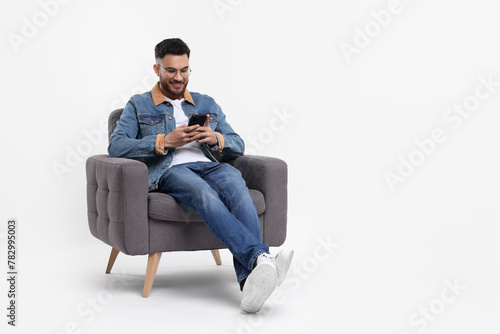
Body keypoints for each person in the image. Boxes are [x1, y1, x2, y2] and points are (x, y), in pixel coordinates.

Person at [108, 38, 293, 313]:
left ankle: (251, 286)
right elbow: (116, 145)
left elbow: (237, 144)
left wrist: (215, 137)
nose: (179, 77)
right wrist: (165, 141)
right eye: (171, 70)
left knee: (239, 190)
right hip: (172, 170)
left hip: (214, 166)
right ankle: (260, 258)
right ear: (157, 69)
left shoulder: (206, 102)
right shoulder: (138, 105)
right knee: (204, 195)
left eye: (184, 70)